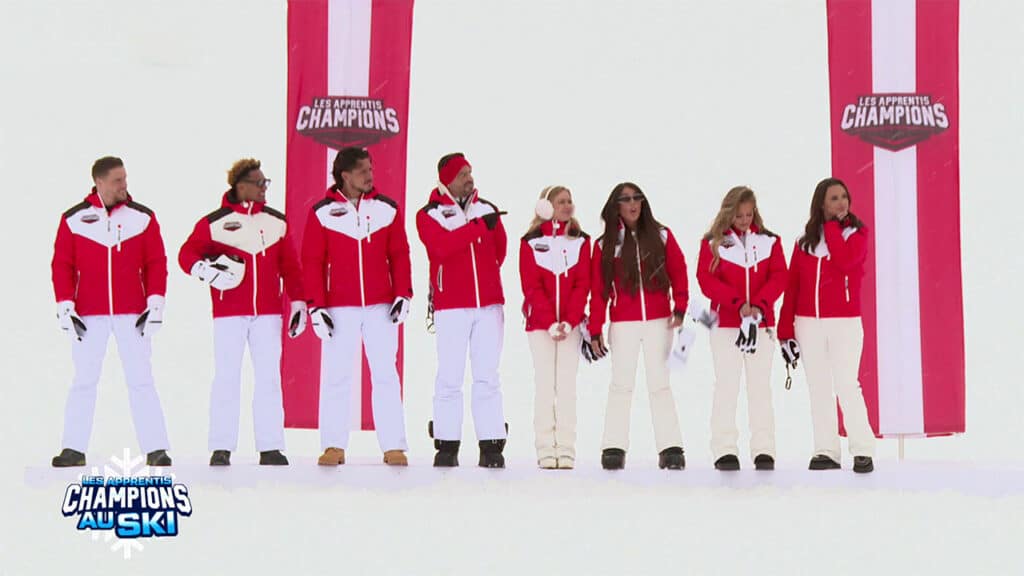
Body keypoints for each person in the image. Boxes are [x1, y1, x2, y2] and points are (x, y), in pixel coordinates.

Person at [179, 158, 305, 466]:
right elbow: (187, 254)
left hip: (268, 313)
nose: (265, 189)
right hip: (228, 314)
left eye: (266, 183)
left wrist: (300, 302)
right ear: (241, 186)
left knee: (268, 379)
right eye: (260, 183)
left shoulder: (277, 221)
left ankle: (271, 446)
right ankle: (221, 446)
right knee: (226, 378)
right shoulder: (215, 222)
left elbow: (290, 266)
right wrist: (204, 269)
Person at [50, 156, 172, 467]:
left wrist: (155, 301)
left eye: (125, 179)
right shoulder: (73, 219)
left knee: (141, 379)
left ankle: (156, 448)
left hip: (133, 313)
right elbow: (62, 265)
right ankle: (73, 448)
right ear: (99, 182)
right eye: (117, 180)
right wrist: (66, 305)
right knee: (83, 381)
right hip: (88, 316)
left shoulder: (142, 217)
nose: (124, 185)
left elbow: (156, 262)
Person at [302, 147, 412, 466]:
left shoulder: (387, 208)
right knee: (337, 376)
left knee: (385, 375)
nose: (370, 174)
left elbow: (400, 254)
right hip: (339, 308)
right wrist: (316, 307)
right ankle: (334, 445)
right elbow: (312, 262)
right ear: (345, 175)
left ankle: (393, 445)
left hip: (381, 306)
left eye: (370, 168)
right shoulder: (322, 212)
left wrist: (403, 294)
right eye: (363, 170)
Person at [777, 177, 876, 473]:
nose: (841, 202)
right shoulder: (804, 241)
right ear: (821, 203)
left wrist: (833, 227)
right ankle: (826, 451)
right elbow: (792, 286)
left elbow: (845, 262)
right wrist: (785, 330)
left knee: (847, 384)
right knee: (818, 387)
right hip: (808, 324)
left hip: (845, 323)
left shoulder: (857, 234)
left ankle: (862, 449)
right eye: (834, 198)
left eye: (844, 197)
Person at [416, 153, 508, 468]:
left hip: (488, 305)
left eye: (470, 172)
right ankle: (446, 443)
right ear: (447, 180)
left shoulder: (487, 209)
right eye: (462, 174)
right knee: (450, 376)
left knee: (487, 376)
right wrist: (478, 228)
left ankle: (492, 442)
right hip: (451, 306)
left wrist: (482, 228)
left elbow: (500, 252)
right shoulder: (429, 214)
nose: (469, 178)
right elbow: (441, 247)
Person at [587, 182, 688, 470]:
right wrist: (595, 328)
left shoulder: (662, 236)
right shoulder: (604, 244)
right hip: (623, 324)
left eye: (637, 198)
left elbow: (679, 272)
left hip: (659, 322)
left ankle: (671, 447)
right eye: (626, 199)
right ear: (615, 205)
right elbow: (600, 291)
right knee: (621, 385)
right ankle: (613, 447)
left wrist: (680, 308)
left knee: (660, 385)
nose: (633, 204)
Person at [696, 186, 787, 471]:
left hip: (760, 326)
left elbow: (779, 276)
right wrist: (737, 304)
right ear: (728, 212)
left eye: (749, 214)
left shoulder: (770, 241)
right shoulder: (713, 243)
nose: (745, 220)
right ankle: (724, 449)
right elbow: (706, 280)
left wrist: (758, 304)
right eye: (739, 215)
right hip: (726, 326)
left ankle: (764, 449)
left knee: (760, 388)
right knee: (727, 385)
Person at [519, 186, 591, 469]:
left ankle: (567, 446)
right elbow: (531, 286)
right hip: (540, 326)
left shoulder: (581, 242)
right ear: (545, 206)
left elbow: (582, 283)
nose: (567, 205)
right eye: (561, 201)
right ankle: (546, 447)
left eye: (570, 200)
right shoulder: (530, 242)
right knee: (545, 385)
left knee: (567, 385)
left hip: (569, 326)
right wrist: (550, 321)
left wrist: (569, 321)